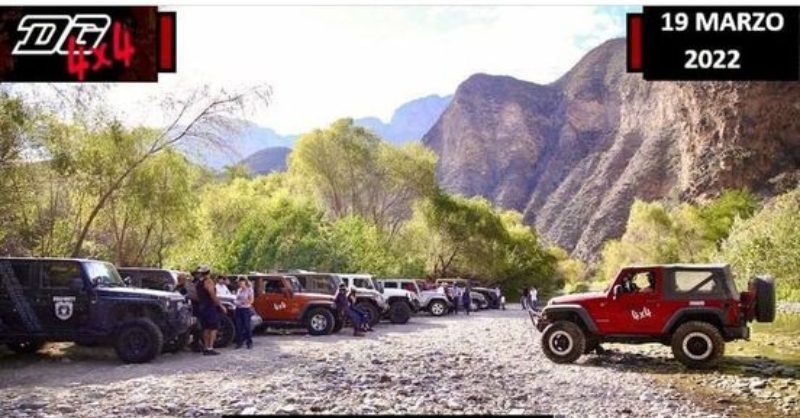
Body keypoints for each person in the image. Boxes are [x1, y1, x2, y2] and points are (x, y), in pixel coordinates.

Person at [196, 265, 226, 355]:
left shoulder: (199, 283)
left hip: (201, 306)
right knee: (213, 328)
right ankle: (210, 347)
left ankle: (205, 347)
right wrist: (220, 305)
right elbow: (212, 294)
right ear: (209, 272)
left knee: (205, 328)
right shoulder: (208, 282)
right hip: (209, 306)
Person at [234, 276, 254, 349]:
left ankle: (249, 342)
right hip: (238, 309)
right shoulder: (239, 290)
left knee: (247, 326)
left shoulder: (249, 290)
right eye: (239, 282)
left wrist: (244, 302)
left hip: (245, 309)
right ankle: (239, 342)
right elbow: (236, 298)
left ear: (244, 282)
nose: (240, 284)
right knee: (239, 327)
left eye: (241, 282)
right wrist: (236, 302)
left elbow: (251, 300)